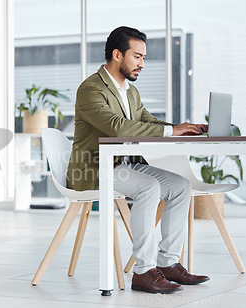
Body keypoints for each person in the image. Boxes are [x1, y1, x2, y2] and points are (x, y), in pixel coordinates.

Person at [67, 26, 210, 294]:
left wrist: (181, 127)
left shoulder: (130, 92)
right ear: (117, 54)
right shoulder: (90, 89)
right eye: (137, 57)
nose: (142, 64)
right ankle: (143, 271)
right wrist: (171, 130)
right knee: (148, 187)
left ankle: (167, 263)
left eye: (144, 57)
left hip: (124, 164)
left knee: (181, 187)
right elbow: (118, 127)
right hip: (95, 168)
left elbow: (149, 122)